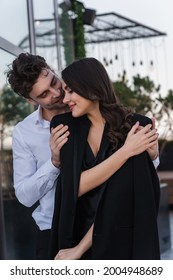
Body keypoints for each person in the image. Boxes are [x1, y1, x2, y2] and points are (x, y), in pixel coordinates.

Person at [49, 57, 160, 260]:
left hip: (122, 246)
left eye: (71, 91)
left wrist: (80, 249)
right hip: (75, 241)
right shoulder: (64, 127)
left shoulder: (136, 127)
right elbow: (73, 188)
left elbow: (125, 201)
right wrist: (126, 152)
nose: (65, 99)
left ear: (91, 88)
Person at [6, 52, 70, 259]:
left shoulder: (88, 107)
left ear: (52, 70)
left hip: (102, 224)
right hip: (54, 234)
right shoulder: (24, 132)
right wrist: (54, 163)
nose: (56, 92)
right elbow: (24, 196)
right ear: (29, 99)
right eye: (44, 94)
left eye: (54, 81)